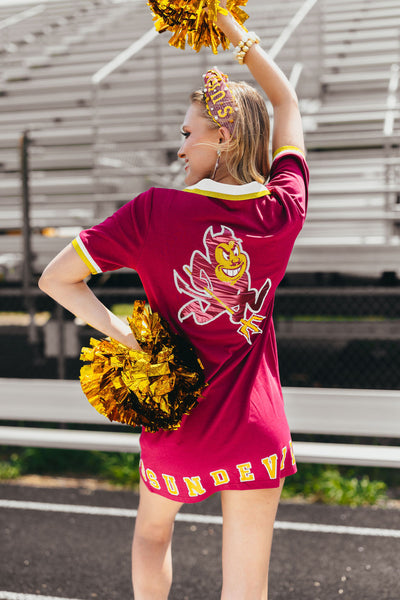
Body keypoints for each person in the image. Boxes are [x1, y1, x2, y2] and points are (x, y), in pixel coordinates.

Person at [39, 2, 308, 598]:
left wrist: (124, 334)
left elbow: (55, 280)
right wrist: (230, 29)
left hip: (180, 421)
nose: (181, 148)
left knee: (152, 536)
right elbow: (286, 101)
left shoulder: (154, 211)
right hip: (257, 429)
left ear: (225, 134)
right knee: (247, 588)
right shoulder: (282, 210)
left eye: (189, 134)